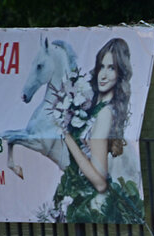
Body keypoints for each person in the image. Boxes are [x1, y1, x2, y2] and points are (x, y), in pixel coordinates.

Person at [53, 37, 142, 223]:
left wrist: (67, 137)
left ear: (120, 74)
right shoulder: (93, 106)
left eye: (111, 68)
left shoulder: (105, 114)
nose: (103, 74)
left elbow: (100, 183)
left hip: (89, 204)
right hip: (76, 192)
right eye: (102, 66)